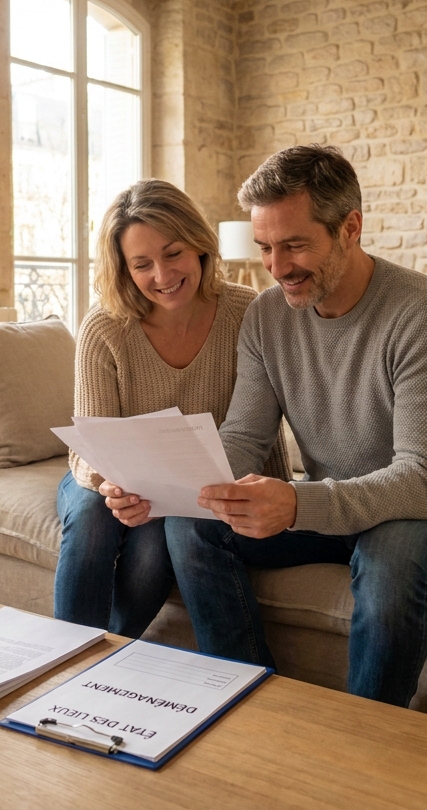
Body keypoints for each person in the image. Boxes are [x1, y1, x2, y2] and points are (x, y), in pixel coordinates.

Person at [165, 145, 427, 707]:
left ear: (350, 228)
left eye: (294, 245)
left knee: (391, 555)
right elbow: (245, 434)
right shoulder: (267, 317)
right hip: (332, 513)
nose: (277, 265)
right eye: (265, 247)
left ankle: (364, 745)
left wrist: (296, 505)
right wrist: (165, 481)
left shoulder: (422, 312)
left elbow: (423, 481)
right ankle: (248, 704)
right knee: (191, 525)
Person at [54, 179, 288, 638]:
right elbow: (89, 445)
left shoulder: (248, 312)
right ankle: (64, 660)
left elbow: (259, 430)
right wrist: (112, 485)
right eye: (142, 264)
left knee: (154, 545)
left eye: (174, 253)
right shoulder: (105, 326)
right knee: (90, 519)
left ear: (199, 245)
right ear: (124, 269)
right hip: (116, 478)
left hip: (200, 486)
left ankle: (115, 647)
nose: (162, 275)